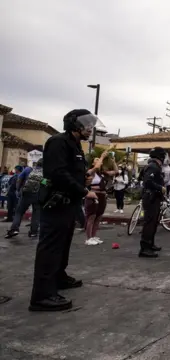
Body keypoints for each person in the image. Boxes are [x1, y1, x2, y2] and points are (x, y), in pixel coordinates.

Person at [29, 109, 99, 312]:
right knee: (50, 247)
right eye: (87, 124)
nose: (90, 128)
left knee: (63, 243)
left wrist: (84, 177)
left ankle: (58, 278)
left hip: (69, 203)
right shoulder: (58, 141)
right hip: (56, 202)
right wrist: (84, 191)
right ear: (74, 124)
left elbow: (71, 171)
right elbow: (57, 173)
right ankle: (41, 296)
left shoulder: (75, 144)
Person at [139, 146, 167, 258]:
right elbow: (147, 181)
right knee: (149, 223)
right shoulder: (153, 166)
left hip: (153, 197)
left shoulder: (152, 166)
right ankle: (145, 248)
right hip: (151, 197)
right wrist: (160, 188)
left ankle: (150, 244)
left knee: (154, 222)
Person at [5, 159, 43, 238]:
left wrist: (18, 190)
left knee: (19, 212)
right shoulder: (45, 172)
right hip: (38, 195)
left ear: (36, 164)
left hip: (26, 194)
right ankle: (33, 232)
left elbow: (19, 179)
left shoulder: (28, 169)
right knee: (36, 214)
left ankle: (14, 229)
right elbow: (46, 183)